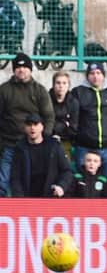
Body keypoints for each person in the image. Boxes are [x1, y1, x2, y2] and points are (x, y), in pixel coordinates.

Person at [0, 53, 55, 197]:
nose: (21, 70)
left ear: (30, 69)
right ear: (14, 70)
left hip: (33, 146)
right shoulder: (4, 90)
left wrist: (44, 138)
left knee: (32, 182)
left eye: (25, 67)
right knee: (3, 182)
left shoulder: (39, 90)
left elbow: (49, 116)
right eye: (18, 67)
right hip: (9, 144)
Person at [71, 62, 107, 191]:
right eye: (91, 74)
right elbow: (73, 117)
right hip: (85, 149)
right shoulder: (78, 92)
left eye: (98, 73)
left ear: (103, 75)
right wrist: (77, 136)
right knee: (83, 185)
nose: (95, 77)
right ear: (87, 76)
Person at [10, 113, 72, 198]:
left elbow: (66, 171)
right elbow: (15, 177)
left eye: (36, 124)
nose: (32, 128)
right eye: (29, 125)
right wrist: (20, 199)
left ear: (42, 127)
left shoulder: (54, 146)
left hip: (51, 197)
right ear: (25, 128)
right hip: (28, 198)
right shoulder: (20, 148)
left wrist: (61, 186)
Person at [49, 71, 78, 160]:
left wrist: (62, 134)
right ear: (53, 85)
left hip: (66, 141)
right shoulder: (46, 99)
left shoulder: (73, 102)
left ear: (68, 85)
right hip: (48, 141)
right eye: (58, 83)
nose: (61, 86)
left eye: (64, 83)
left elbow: (74, 126)